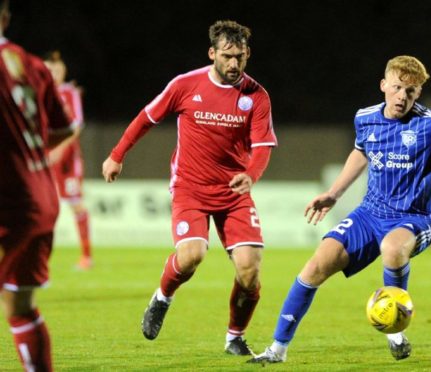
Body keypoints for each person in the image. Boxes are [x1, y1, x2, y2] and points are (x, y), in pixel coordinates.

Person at [248, 55, 431, 364]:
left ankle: (395, 330)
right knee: (315, 266)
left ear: (418, 93)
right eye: (398, 88)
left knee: (392, 248)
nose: (403, 97)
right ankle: (277, 350)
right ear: (383, 85)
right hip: (369, 214)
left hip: (415, 219)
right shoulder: (365, 118)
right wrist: (334, 193)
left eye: (411, 91)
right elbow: (361, 152)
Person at [101, 20, 277, 355]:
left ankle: (234, 338)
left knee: (250, 269)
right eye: (226, 56)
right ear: (212, 53)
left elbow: (263, 147)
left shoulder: (256, 95)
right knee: (191, 255)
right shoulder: (185, 85)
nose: (233, 64)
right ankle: (162, 298)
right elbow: (146, 118)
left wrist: (250, 176)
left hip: (234, 193)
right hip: (190, 188)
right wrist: (116, 155)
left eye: (240, 56)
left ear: (248, 54)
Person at [0, 0, 73, 370]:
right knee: (19, 306)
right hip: (40, 196)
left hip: (7, 197)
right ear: (6, 17)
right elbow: (64, 129)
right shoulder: (32, 65)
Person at [43, 50, 93, 270]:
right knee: (42, 207)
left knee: (76, 205)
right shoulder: (38, 91)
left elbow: (76, 126)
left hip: (67, 160)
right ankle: (41, 257)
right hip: (42, 158)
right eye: (50, 69)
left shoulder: (69, 92)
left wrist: (58, 151)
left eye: (58, 69)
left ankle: (86, 256)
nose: (55, 73)